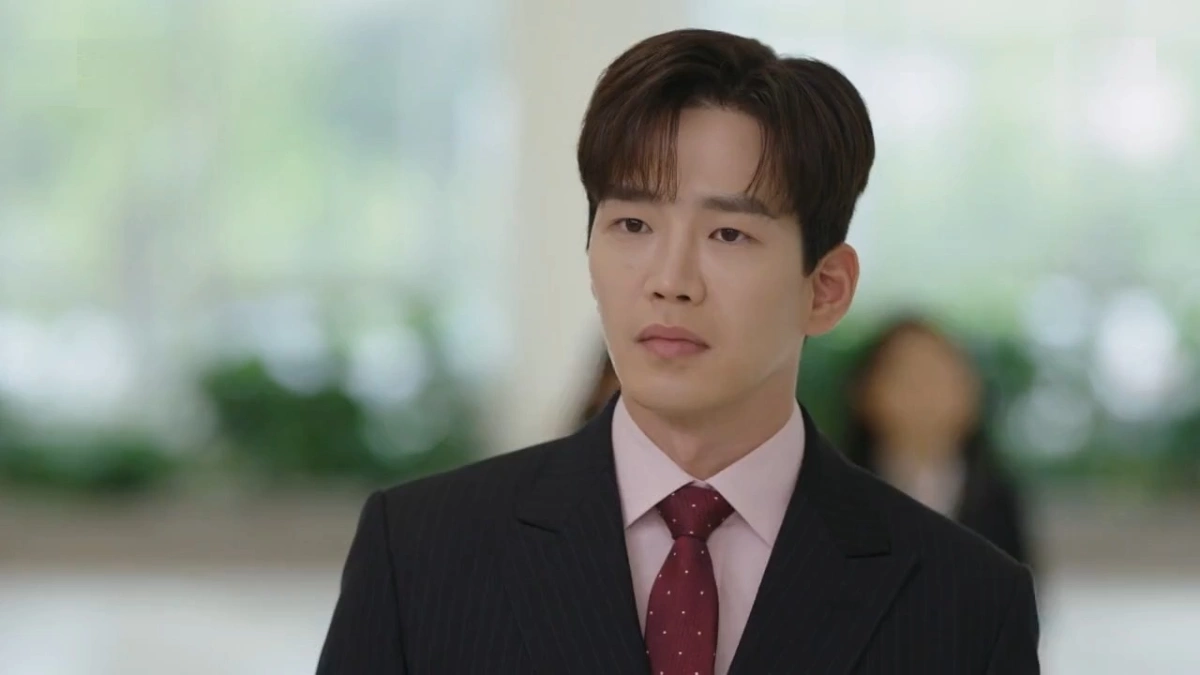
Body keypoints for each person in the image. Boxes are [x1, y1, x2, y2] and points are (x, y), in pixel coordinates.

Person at [317, 29, 1038, 675]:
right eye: (633, 224)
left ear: (825, 288)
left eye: (729, 234)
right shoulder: (421, 551)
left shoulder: (966, 600)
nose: (669, 280)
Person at [842, 316, 1035, 567]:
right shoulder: (838, 494)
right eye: (909, 379)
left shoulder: (996, 496)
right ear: (865, 392)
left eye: (941, 377)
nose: (927, 396)